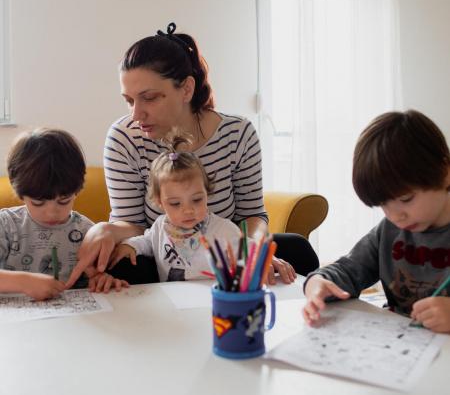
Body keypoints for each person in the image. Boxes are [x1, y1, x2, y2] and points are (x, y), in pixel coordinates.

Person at [67, 22, 319, 288]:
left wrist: (254, 251)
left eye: (149, 98)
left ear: (187, 89)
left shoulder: (238, 133)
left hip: (225, 255)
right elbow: (131, 222)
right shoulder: (124, 137)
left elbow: (251, 215)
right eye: (129, 100)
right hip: (165, 255)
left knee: (297, 251)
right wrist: (105, 229)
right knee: (123, 265)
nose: (136, 114)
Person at [303, 110, 450, 333]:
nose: (395, 216)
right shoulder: (390, 230)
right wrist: (317, 283)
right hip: (401, 348)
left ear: (445, 172)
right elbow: (348, 270)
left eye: (405, 199)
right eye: (383, 205)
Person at [0, 128, 129, 300]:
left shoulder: (86, 232)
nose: (52, 213)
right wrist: (23, 282)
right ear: (19, 192)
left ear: (77, 190)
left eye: (64, 201)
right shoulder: (7, 226)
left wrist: (100, 279)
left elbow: (94, 275)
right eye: (38, 203)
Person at [108, 130, 242, 281]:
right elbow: (146, 242)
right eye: (175, 204)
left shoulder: (224, 230)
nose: (188, 210)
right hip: (172, 301)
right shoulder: (160, 226)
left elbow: (249, 252)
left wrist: (261, 260)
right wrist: (130, 245)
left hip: (213, 300)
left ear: (207, 192)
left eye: (197, 199)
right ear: (160, 203)